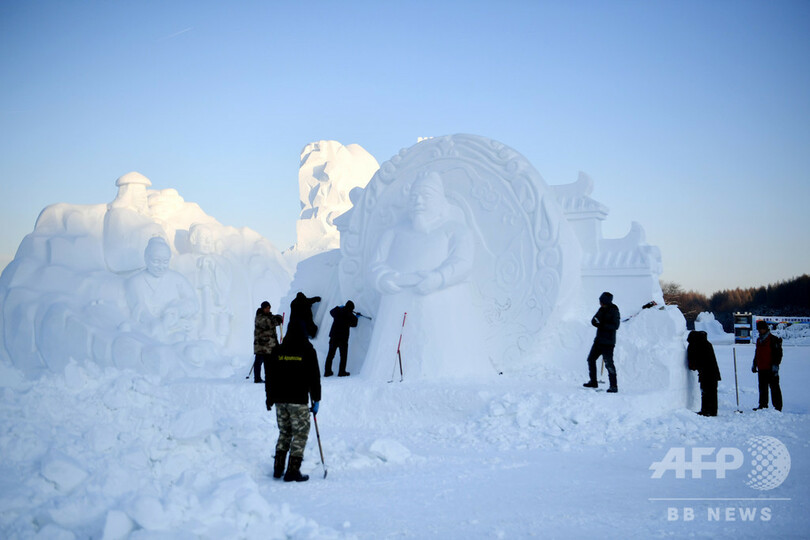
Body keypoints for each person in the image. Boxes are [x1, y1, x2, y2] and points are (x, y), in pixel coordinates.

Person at [264, 322, 322, 482]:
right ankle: (292, 471)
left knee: (285, 432)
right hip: (298, 400)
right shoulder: (308, 351)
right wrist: (316, 399)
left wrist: (269, 397)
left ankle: (278, 468)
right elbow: (314, 377)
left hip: (280, 401)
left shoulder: (278, 350)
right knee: (300, 434)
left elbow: (270, 376)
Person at [125, 237, 199, 342]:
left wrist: (178, 310)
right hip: (149, 330)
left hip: (177, 328)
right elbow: (139, 308)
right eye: (156, 261)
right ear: (146, 258)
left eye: (165, 262)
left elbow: (193, 302)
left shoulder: (177, 279)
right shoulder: (135, 282)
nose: (161, 266)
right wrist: (156, 324)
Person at [583, 292, 621, 392]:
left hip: (608, 343)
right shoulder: (601, 309)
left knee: (609, 364)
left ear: (606, 302)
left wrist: (602, 324)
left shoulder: (614, 310)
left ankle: (614, 386)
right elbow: (594, 320)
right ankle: (593, 382)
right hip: (598, 341)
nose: (600, 303)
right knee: (590, 359)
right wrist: (595, 322)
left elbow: (615, 326)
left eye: (601, 301)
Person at [687, 330, 721, 416]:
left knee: (706, 392)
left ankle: (706, 410)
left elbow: (694, 361)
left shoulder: (696, 345)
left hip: (706, 373)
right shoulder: (706, 343)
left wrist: (693, 366)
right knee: (712, 392)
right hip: (713, 372)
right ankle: (713, 411)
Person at [751, 320, 783, 411]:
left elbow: (778, 354)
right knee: (762, 388)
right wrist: (754, 364)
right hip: (761, 368)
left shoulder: (773, 339)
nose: (760, 331)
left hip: (771, 368)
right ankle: (762, 405)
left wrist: (775, 365)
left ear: (766, 329)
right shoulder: (758, 340)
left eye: (762, 329)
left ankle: (778, 407)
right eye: (759, 329)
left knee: (774, 388)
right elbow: (757, 353)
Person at [324, 301, 359, 377]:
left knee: (330, 355)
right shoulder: (350, 315)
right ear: (352, 308)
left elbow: (331, 311)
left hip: (334, 336)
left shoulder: (338, 311)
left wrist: (339, 307)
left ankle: (327, 372)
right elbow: (354, 324)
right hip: (343, 339)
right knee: (343, 356)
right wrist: (356, 317)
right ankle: (341, 372)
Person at [253, 301, 283, 383]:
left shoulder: (268, 316)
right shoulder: (259, 318)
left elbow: (276, 318)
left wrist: (279, 317)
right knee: (259, 361)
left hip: (269, 344)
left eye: (269, 308)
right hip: (261, 344)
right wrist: (277, 320)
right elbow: (269, 323)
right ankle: (257, 378)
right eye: (266, 308)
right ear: (263, 308)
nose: (268, 310)